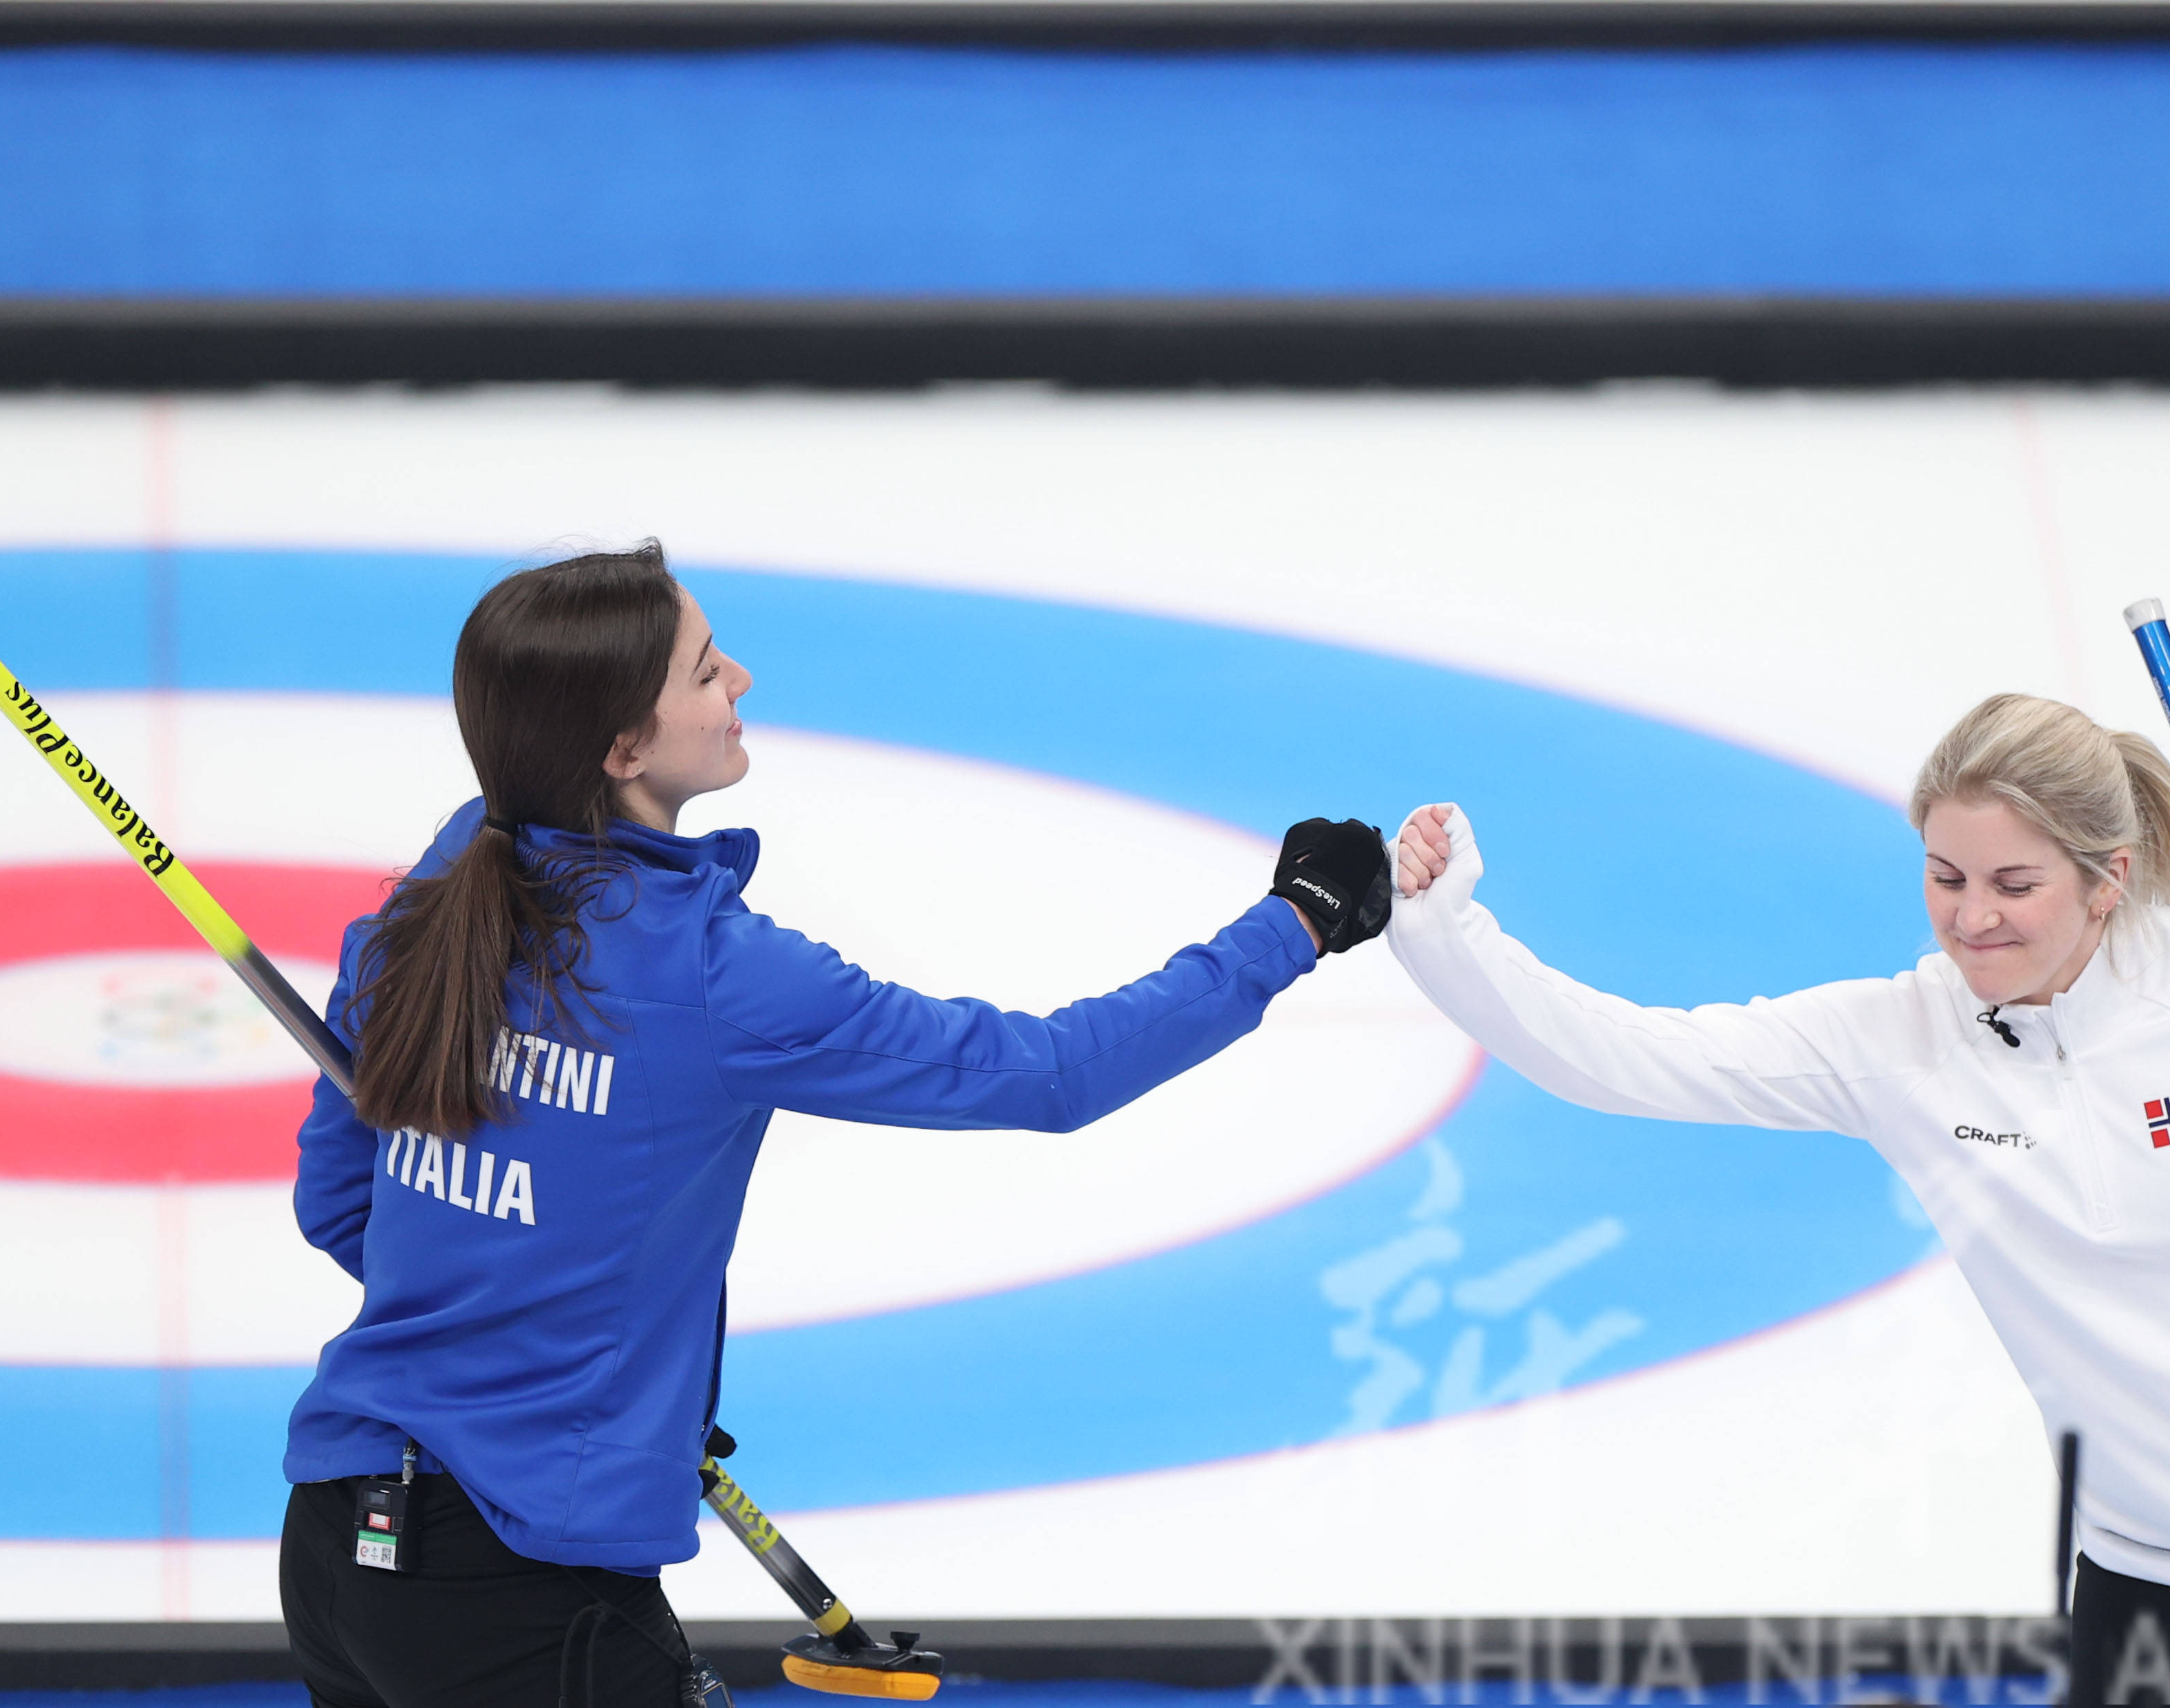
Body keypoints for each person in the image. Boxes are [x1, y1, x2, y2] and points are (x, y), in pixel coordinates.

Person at [277, 543, 1391, 1708]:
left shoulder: (440, 888)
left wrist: (593, 1375)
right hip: (519, 1583)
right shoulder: (716, 977)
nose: (742, 681)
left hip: (339, 1548)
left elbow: (343, 1204)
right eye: (706, 674)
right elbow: (1047, 1074)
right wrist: (1294, 925)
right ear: (621, 751)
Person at [1385, 693, 2170, 1707]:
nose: (1970, 915)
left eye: (2012, 883)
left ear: (2109, 880)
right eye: (1944, 877)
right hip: (2157, 1584)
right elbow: (1621, 1057)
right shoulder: (1905, 1041)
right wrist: (1443, 931)